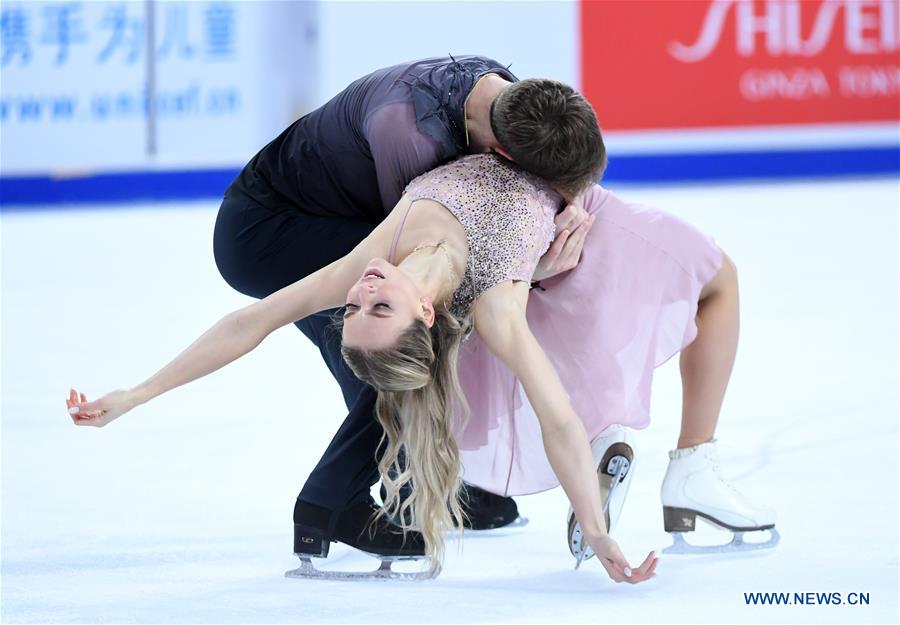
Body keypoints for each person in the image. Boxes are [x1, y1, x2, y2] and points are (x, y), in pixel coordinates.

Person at [68, 56, 605, 565]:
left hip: (324, 212)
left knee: (403, 330)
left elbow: (508, 192)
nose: (363, 291)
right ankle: (338, 500)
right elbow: (259, 322)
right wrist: (138, 395)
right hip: (269, 228)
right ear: (506, 152)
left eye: (356, 303)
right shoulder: (411, 143)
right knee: (395, 351)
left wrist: (565, 200)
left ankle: (415, 477)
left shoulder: (506, 93)